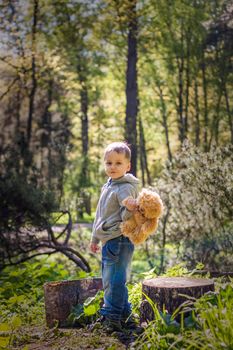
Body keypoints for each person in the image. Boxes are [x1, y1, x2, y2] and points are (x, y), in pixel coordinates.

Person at [90, 142, 141, 333]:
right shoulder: (109, 185)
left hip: (119, 239)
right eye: (109, 163)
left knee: (113, 280)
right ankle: (126, 317)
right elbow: (99, 215)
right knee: (113, 279)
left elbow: (128, 209)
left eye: (118, 163)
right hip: (109, 239)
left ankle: (111, 318)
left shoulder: (124, 188)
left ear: (128, 166)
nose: (113, 167)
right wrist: (95, 238)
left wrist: (131, 206)